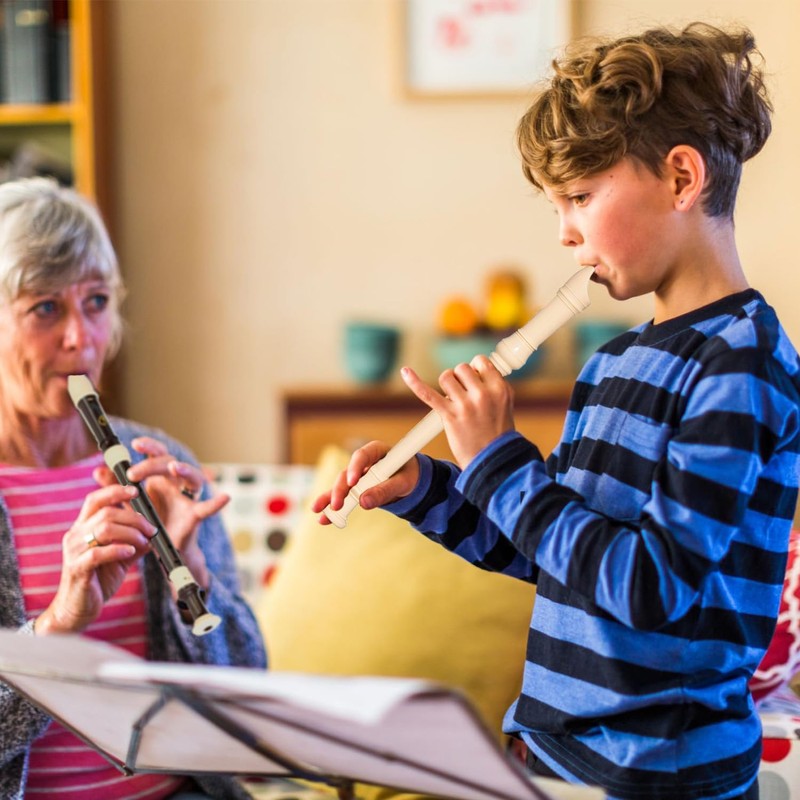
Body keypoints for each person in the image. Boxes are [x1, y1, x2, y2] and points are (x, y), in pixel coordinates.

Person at [315, 22, 800, 800]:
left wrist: (499, 461)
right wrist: (428, 489)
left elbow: (650, 586)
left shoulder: (741, 364)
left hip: (658, 776)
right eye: (556, 206)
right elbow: (551, 555)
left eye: (579, 197)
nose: (567, 233)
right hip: (553, 759)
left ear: (681, 178)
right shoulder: (612, 363)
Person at [0, 177, 266, 800]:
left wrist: (194, 579)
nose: (81, 338)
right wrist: (58, 626)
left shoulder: (160, 460)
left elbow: (250, 699)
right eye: (46, 309)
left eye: (95, 302)